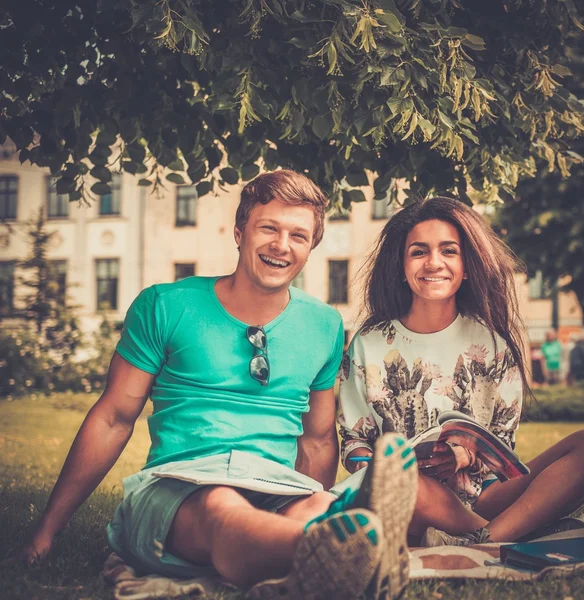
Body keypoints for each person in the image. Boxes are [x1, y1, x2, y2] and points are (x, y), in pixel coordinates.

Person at [14, 170, 418, 600]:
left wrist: (309, 495)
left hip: (276, 487)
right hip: (180, 486)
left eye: (298, 235)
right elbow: (113, 418)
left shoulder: (325, 325)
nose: (282, 245)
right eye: (269, 228)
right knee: (221, 506)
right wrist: (46, 531)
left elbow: (317, 441)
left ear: (311, 247)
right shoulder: (166, 306)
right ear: (240, 233)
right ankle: (329, 549)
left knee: (316, 505)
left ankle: (330, 543)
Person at [338, 197, 584, 547]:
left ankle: (483, 539)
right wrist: (385, 471)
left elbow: (503, 452)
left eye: (448, 251)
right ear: (401, 268)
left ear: (466, 266)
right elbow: (354, 442)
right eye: (419, 252)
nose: (434, 263)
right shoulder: (368, 342)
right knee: (408, 483)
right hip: (405, 496)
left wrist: (461, 455)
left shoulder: (493, 344)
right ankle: (504, 535)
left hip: (481, 495)